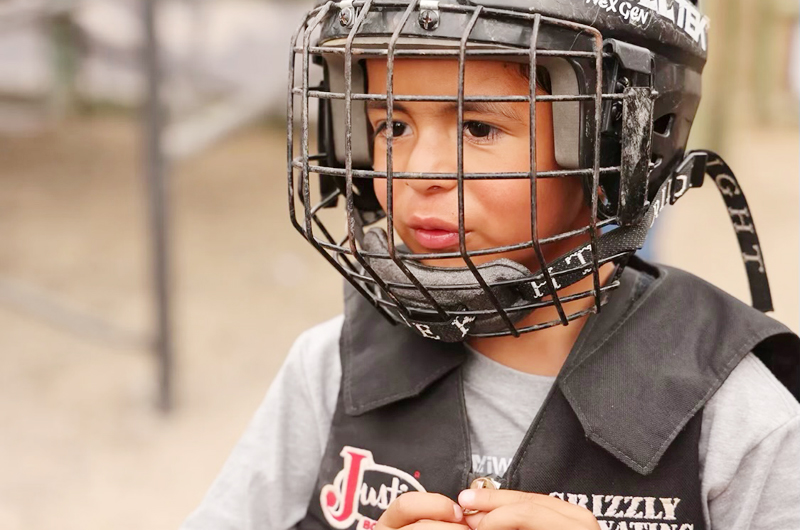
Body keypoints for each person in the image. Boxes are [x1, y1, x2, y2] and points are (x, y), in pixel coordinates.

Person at [182, 1, 800, 529]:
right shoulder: (332, 369)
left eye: (477, 127)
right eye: (390, 124)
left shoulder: (736, 418)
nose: (417, 172)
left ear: (620, 143)